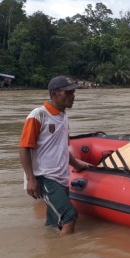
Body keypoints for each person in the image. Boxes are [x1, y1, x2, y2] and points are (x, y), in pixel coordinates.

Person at [19, 76, 90, 235]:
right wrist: (31, 178)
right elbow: (24, 147)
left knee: (53, 224)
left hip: (62, 177)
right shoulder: (38, 115)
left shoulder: (63, 117)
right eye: (68, 93)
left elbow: (62, 147)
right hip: (44, 176)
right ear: (54, 94)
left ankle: (51, 251)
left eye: (73, 93)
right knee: (69, 216)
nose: (73, 97)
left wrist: (76, 164)